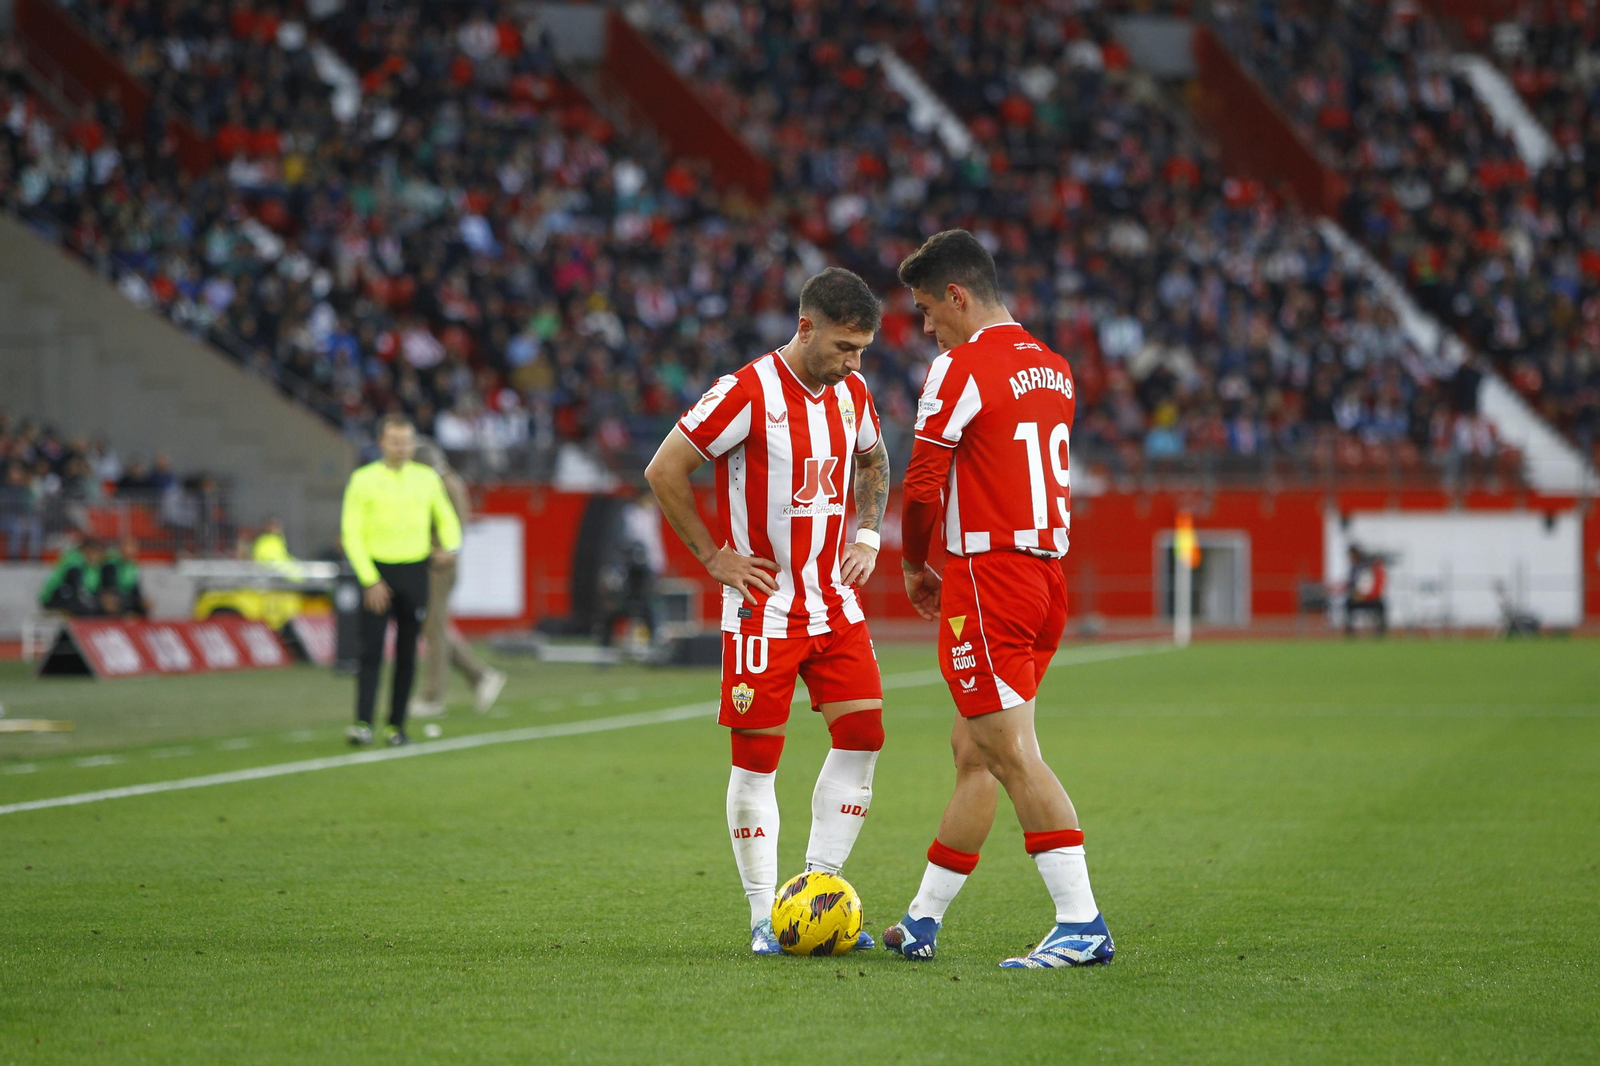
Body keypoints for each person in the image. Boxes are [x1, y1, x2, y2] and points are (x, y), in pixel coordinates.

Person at [644, 267, 893, 956]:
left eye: (863, 349)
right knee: (757, 761)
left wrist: (867, 534)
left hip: (833, 603)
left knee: (864, 738)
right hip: (764, 609)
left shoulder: (854, 393)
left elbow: (875, 463)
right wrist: (712, 556)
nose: (855, 362)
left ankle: (816, 896)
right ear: (806, 327)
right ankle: (762, 918)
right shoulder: (745, 392)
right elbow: (664, 470)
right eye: (845, 346)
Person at [883, 229, 1114, 969]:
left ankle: (1081, 921)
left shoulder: (959, 368)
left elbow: (921, 485)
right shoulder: (1053, 368)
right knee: (974, 752)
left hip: (989, 581)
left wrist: (917, 564)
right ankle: (923, 919)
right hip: (1045, 579)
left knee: (1009, 754)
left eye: (926, 309)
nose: (926, 328)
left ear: (958, 295)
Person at [340, 414, 462, 746]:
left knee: (408, 654)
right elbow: (351, 533)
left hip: (415, 571)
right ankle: (363, 723)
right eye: (395, 440)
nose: (402, 447)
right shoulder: (363, 480)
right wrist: (370, 580)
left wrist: (451, 548)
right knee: (371, 653)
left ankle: (397, 726)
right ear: (382, 442)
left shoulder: (426, 479)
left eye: (407, 441)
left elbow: (447, 518)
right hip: (378, 573)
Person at [408, 439, 506, 718]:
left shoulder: (446, 484)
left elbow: (458, 522)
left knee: (435, 630)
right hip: (434, 562)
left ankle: (432, 697)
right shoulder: (448, 481)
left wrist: (445, 550)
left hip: (439, 566)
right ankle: (480, 676)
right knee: (434, 628)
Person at [1345, 545, 1388, 637]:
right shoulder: (1354, 568)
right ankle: (1350, 632)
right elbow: (1351, 585)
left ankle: (1381, 632)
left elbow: (1375, 584)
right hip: (1358, 598)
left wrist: (1367, 596)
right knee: (1348, 603)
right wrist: (1356, 594)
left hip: (1372, 599)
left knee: (1381, 605)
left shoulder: (1369, 567)